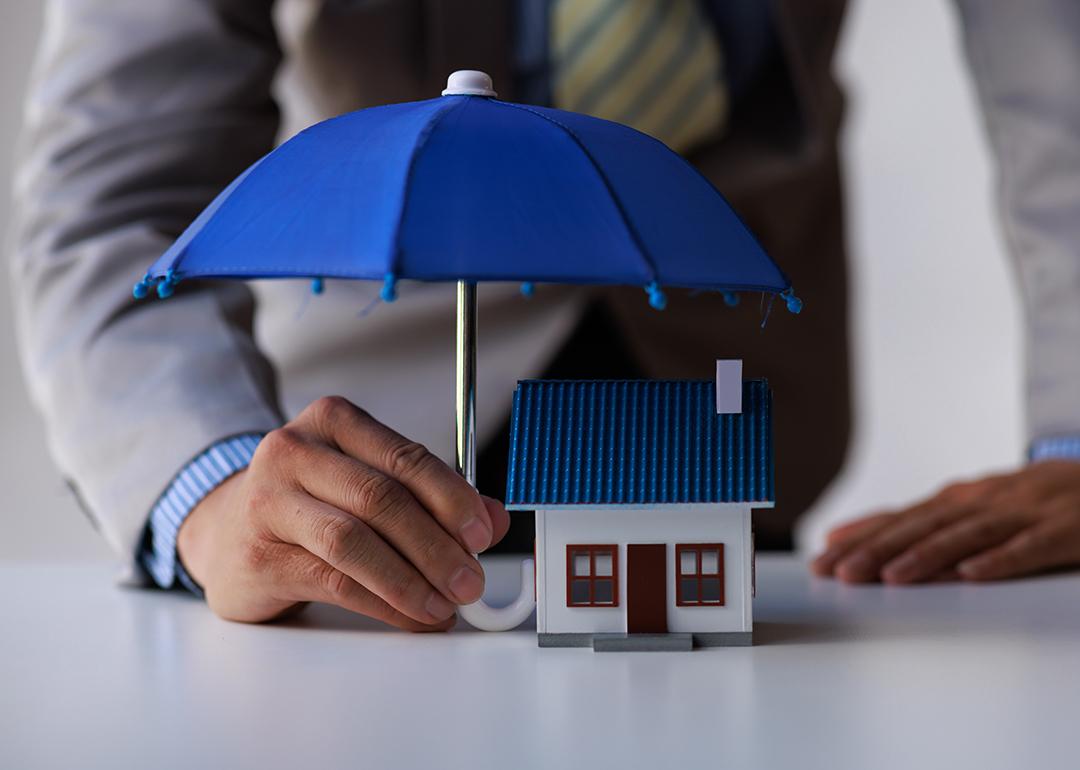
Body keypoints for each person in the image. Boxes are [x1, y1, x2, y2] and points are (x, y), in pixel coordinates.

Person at [9, 0, 1079, 629]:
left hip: (726, 416)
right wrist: (208, 487)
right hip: (359, 467)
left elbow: (1064, 98)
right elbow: (115, 192)